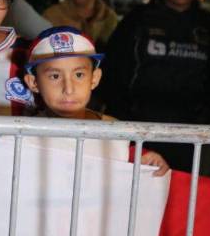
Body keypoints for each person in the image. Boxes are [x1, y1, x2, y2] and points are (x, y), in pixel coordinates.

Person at [100, 0, 210, 172]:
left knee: (179, 193)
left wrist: (208, 116)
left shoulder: (209, 26)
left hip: (187, 132)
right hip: (137, 127)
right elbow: (112, 67)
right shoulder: (138, 19)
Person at [22, 25, 168, 175]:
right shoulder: (20, 137)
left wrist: (148, 159)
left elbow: (130, 156)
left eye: (79, 75)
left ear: (95, 78)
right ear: (33, 82)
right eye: (55, 76)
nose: (69, 89)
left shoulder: (115, 132)